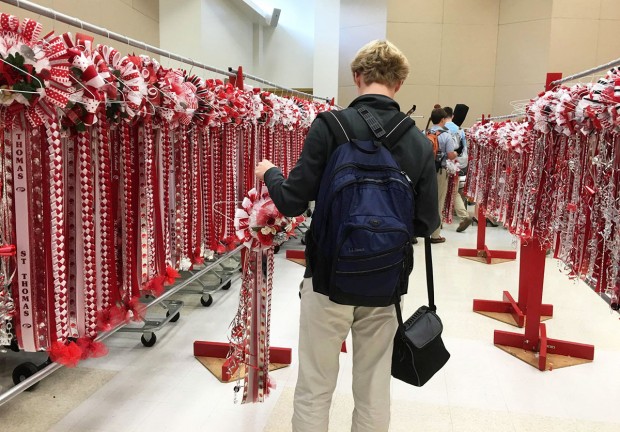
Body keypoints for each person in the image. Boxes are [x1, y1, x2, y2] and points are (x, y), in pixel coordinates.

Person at [255, 40, 439, 432]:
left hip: (326, 278)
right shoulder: (419, 142)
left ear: (357, 77)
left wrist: (269, 172)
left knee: (315, 384)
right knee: (373, 388)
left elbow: (290, 200)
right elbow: (426, 224)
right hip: (386, 284)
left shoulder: (330, 126)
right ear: (400, 83)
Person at [443, 106, 472, 233]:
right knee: (454, 192)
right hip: (457, 164)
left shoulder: (441, 129)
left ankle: (439, 221)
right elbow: (464, 149)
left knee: (441, 192)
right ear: (453, 116)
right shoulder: (460, 131)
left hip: (443, 163)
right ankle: (464, 216)